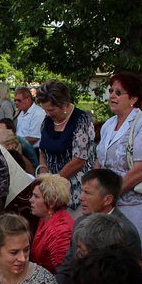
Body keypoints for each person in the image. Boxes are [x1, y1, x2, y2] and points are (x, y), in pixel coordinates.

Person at [95, 72, 142, 256]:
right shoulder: (108, 125)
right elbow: (101, 160)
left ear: (133, 98)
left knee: (137, 254)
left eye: (119, 92)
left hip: (138, 205)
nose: (112, 96)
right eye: (110, 91)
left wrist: (110, 194)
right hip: (112, 202)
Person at [35, 81, 96, 213]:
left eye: (51, 110)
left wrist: (54, 182)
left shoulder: (81, 120)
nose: (47, 113)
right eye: (44, 109)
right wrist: (44, 176)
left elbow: (79, 160)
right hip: (52, 190)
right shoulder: (47, 121)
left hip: (75, 190)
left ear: (64, 104)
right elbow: (43, 152)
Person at [29, 175, 74, 274]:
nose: (30, 200)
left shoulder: (60, 232)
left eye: (36, 196)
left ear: (51, 202)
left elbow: (63, 275)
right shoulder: (45, 216)